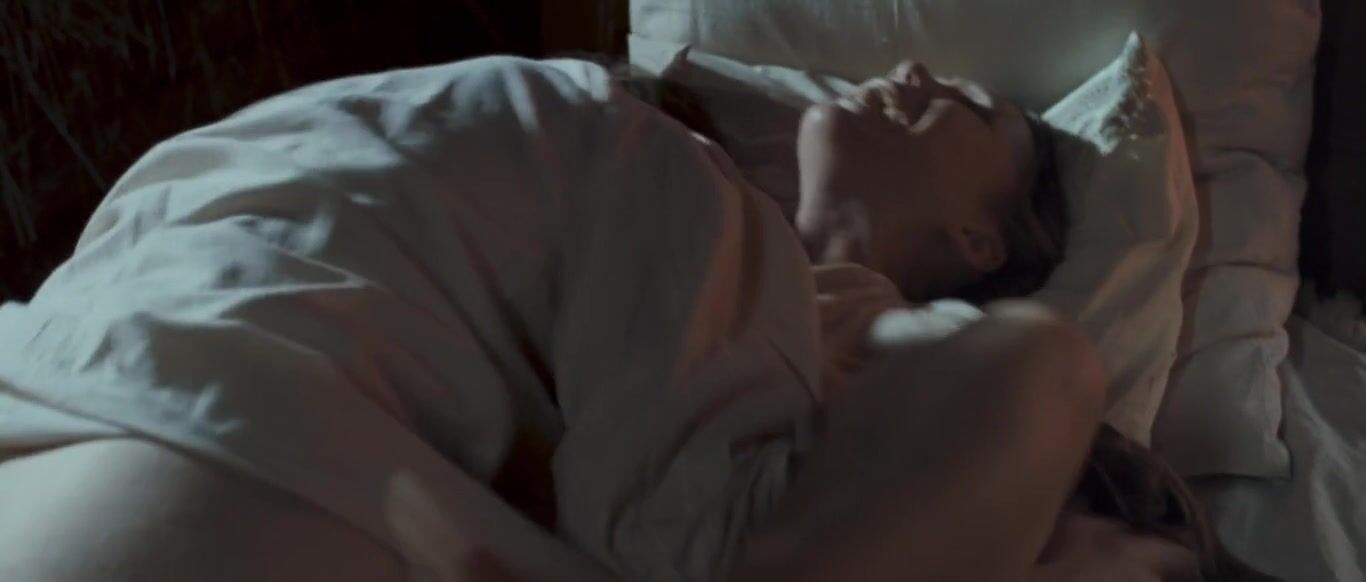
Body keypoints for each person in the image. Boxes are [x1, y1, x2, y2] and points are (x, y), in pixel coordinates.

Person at [0, 56, 1197, 581]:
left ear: (980, 242)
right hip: (89, 391)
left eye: (966, 110)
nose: (918, 78)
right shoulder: (671, 173)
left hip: (182, 456)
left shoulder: (875, 350)